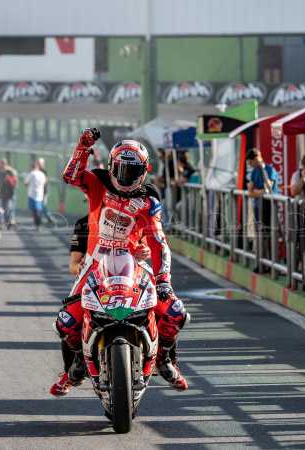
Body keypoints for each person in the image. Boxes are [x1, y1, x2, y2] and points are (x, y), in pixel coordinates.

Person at [50, 130, 189, 396]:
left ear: (144, 170)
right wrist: (82, 148)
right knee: (66, 321)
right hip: (94, 263)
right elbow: (70, 176)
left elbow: (159, 243)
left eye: (132, 169)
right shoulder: (98, 181)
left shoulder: (149, 199)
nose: (125, 175)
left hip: (134, 264)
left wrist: (164, 282)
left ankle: (164, 358)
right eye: (121, 168)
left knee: (175, 312)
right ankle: (74, 367)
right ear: (112, 166)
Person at [247, 149, 279, 273]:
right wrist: (258, 192)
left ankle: (273, 265)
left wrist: (256, 192)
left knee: (272, 235)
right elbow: (250, 191)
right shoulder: (254, 172)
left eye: (251, 162)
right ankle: (261, 263)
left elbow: (268, 189)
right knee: (260, 236)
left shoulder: (269, 170)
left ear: (257, 158)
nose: (250, 165)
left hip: (269, 206)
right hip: (258, 207)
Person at [0, 159, 18, 229]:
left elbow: (15, 182)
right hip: (1, 193)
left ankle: (9, 221)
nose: (3, 165)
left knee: (8, 209)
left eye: (4, 163)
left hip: (9, 194)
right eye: (1, 163)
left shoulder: (10, 171)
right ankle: (0, 223)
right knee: (0, 209)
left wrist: (10, 171)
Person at [25, 160, 46, 229]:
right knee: (38, 209)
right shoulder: (42, 174)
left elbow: (26, 183)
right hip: (40, 194)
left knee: (34, 210)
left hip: (32, 194)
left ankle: (37, 224)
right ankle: (38, 224)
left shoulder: (31, 173)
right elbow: (45, 182)